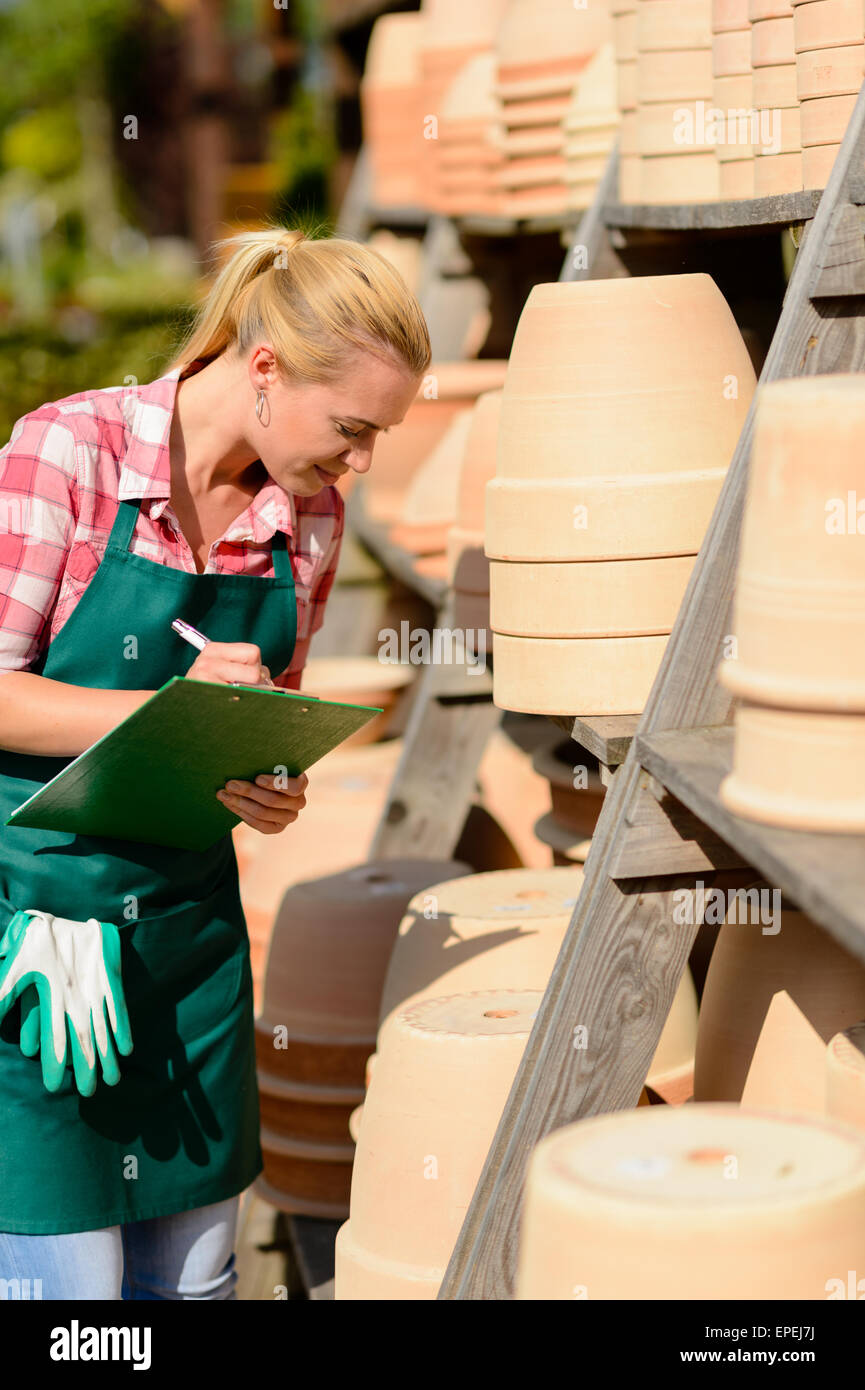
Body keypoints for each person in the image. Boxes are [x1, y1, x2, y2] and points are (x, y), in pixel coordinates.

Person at [0, 225, 430, 1299]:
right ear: (266, 370)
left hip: (190, 953)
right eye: (350, 427)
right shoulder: (67, 454)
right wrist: (162, 708)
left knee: (194, 1287)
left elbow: (255, 724)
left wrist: (266, 781)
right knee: (77, 1303)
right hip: (40, 943)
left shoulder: (311, 520)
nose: (361, 461)